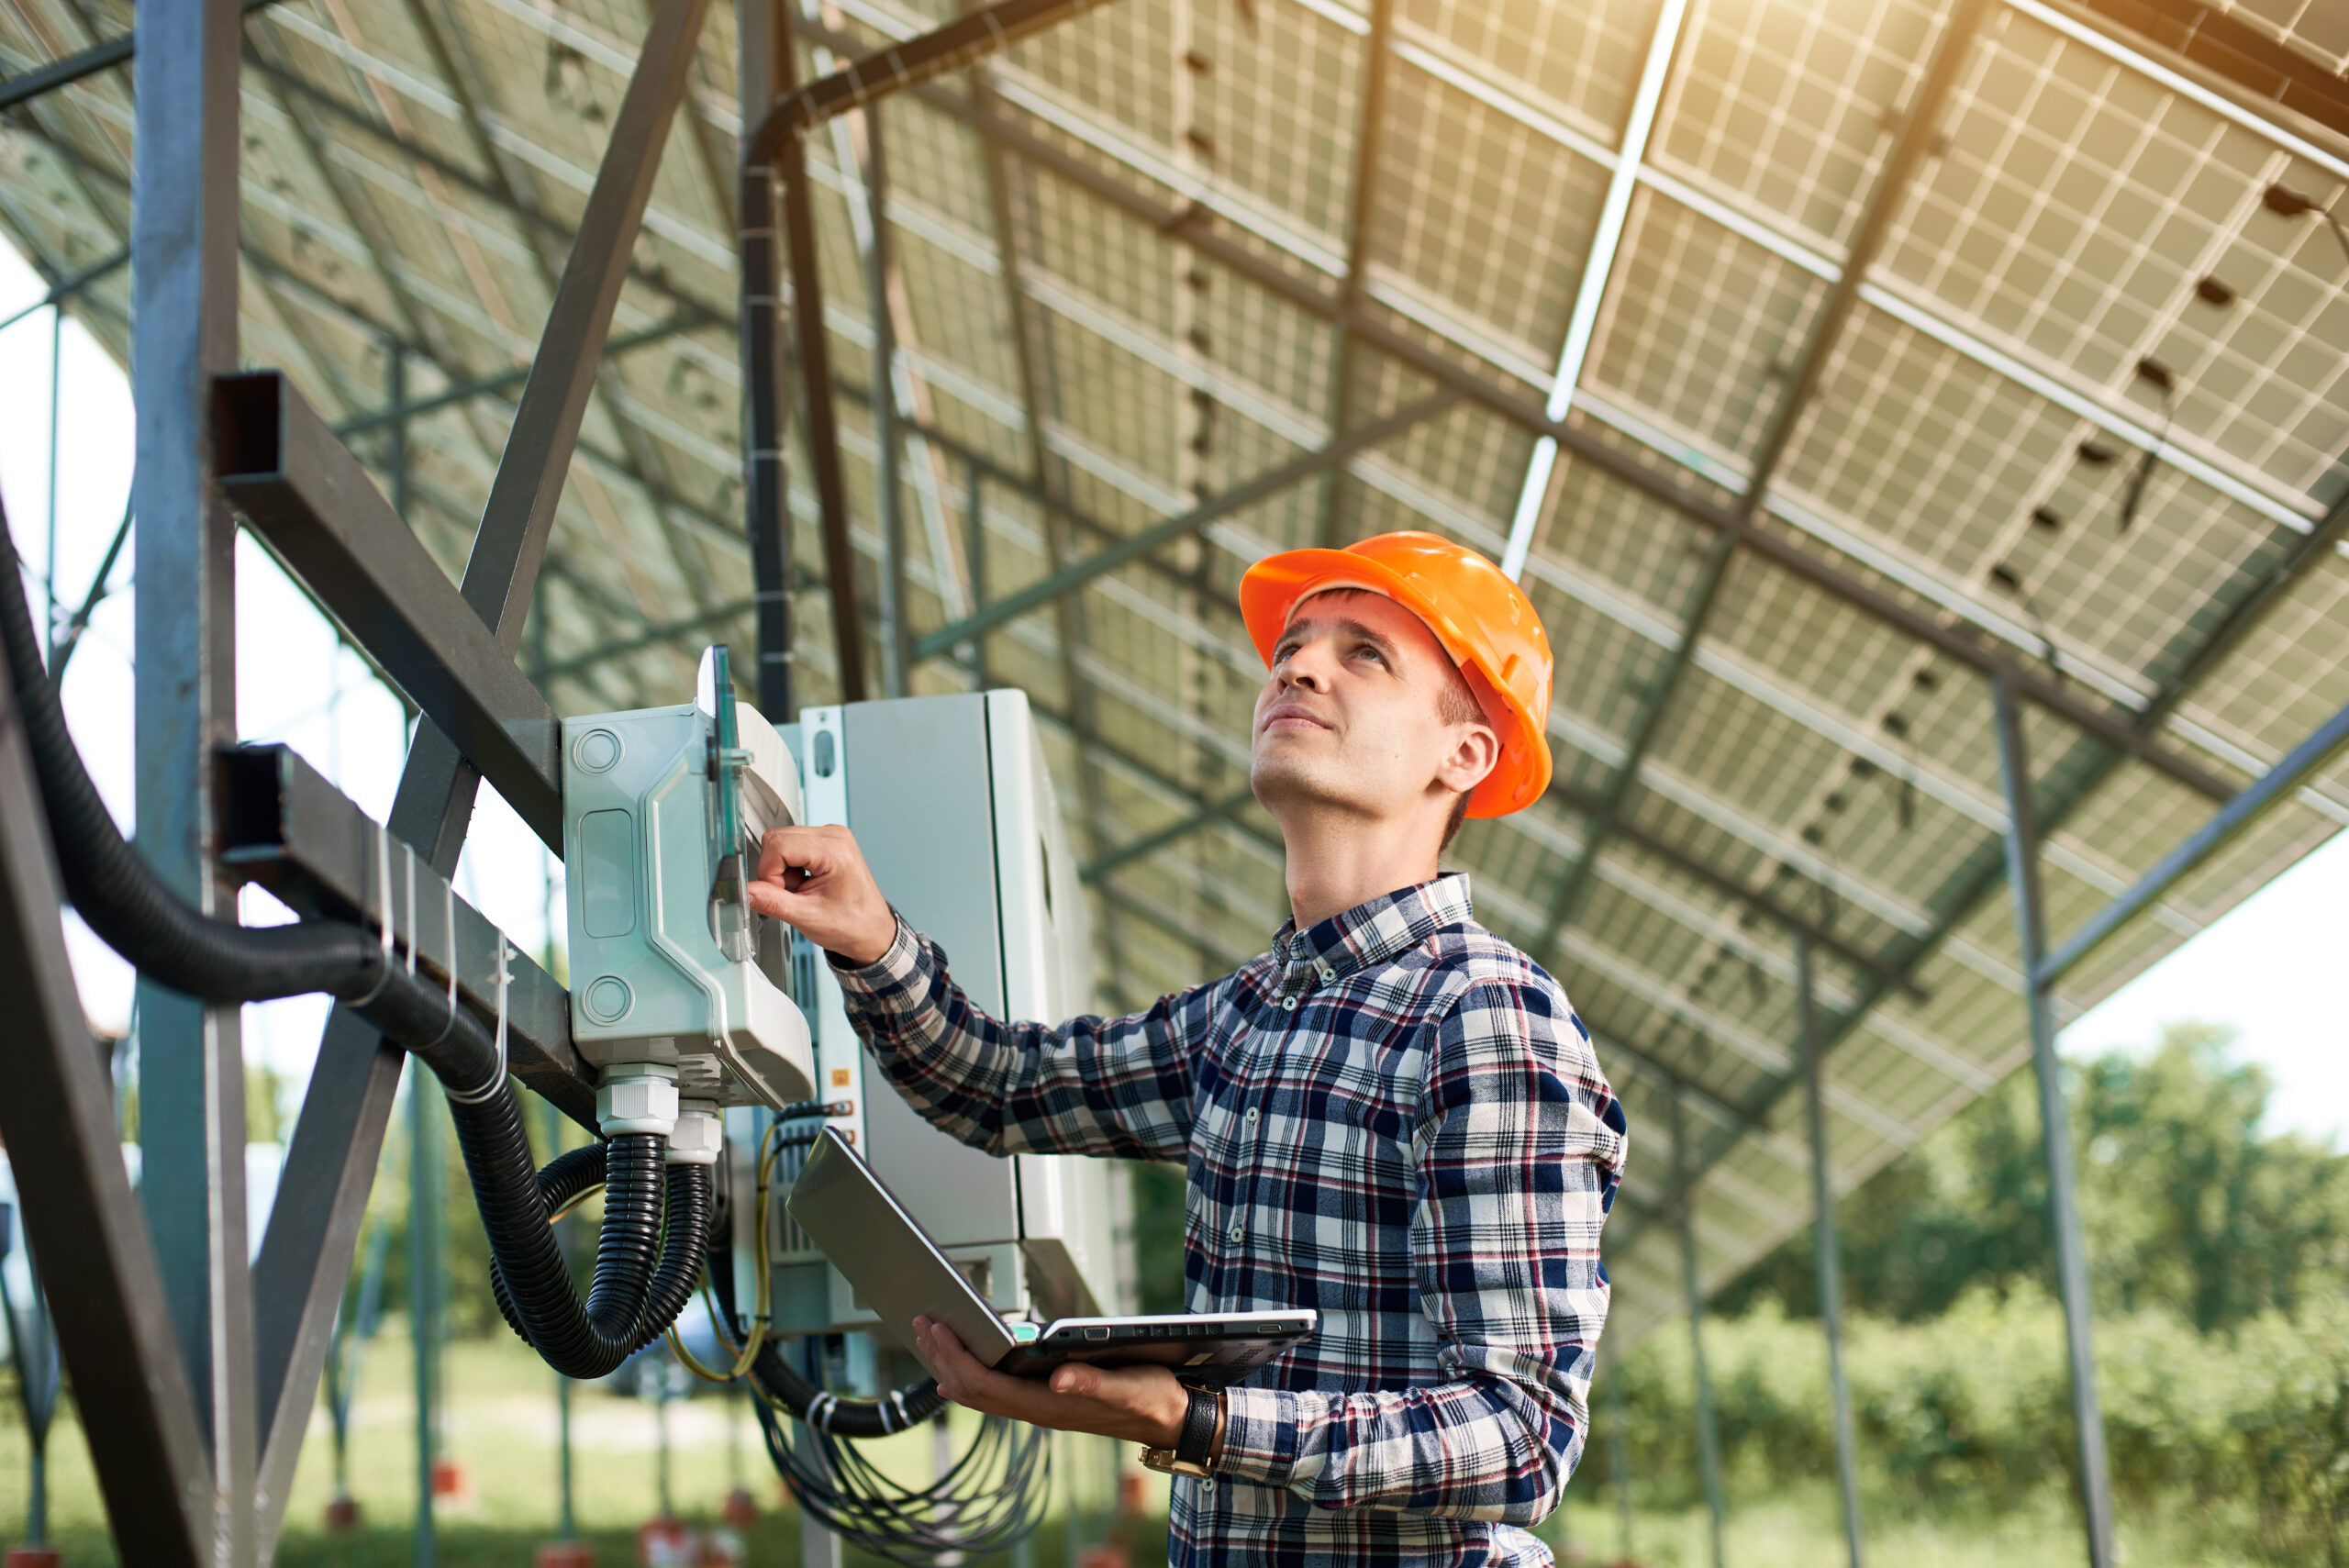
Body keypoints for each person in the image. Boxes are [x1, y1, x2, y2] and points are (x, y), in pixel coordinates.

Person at [749, 530, 1628, 1565]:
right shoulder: (1246, 1015)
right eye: (1292, 646)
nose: (1296, 665)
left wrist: (1195, 1423)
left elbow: (1523, 1436)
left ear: (1464, 753)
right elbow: (998, 1085)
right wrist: (871, 938)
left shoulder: (1487, 1017)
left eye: (1365, 654)